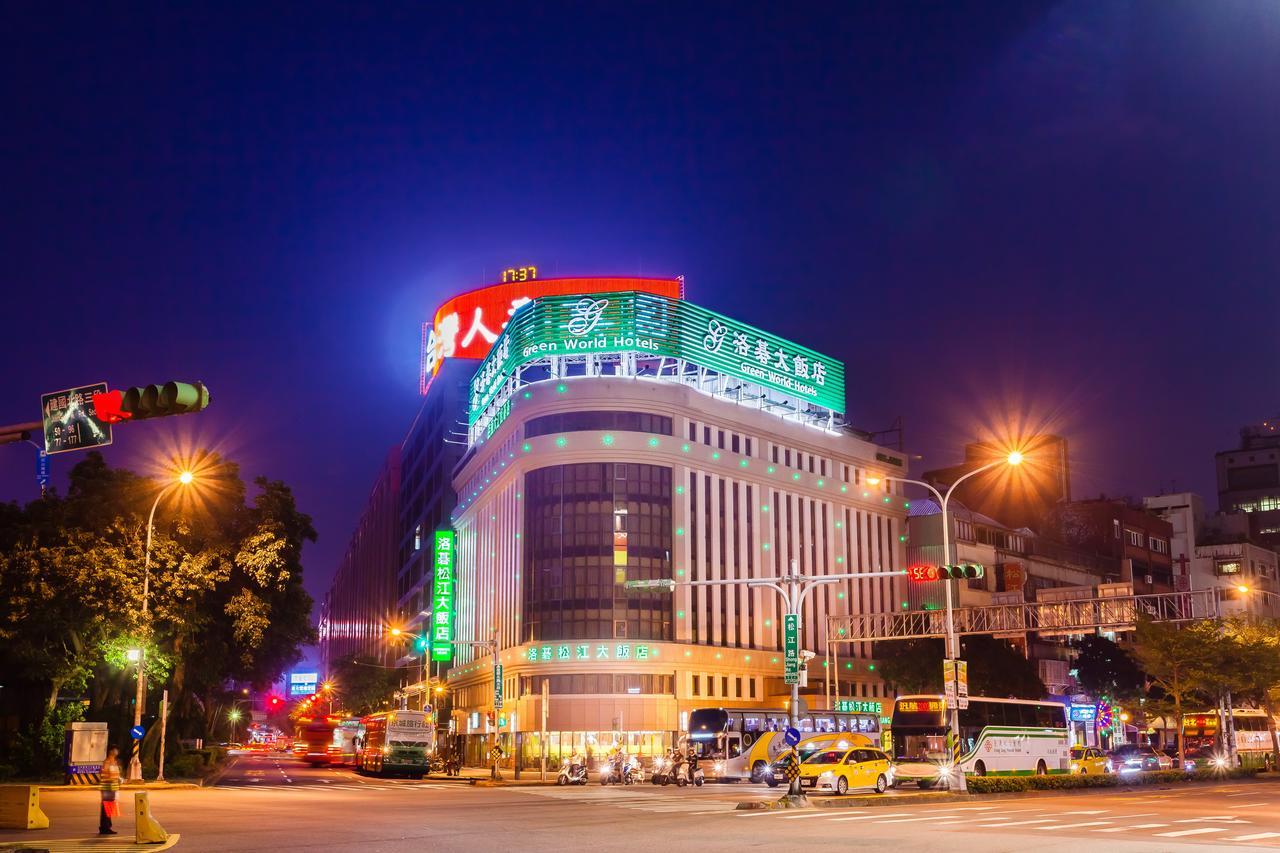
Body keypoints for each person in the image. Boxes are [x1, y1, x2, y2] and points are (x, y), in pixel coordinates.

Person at [99, 745, 122, 835]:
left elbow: (115, 774)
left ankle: (107, 826)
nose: (117, 751)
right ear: (111, 751)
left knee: (109, 808)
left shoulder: (114, 762)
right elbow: (105, 775)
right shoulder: (107, 762)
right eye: (115, 750)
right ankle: (105, 827)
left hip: (112, 788)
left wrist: (119, 780)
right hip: (107, 788)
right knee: (106, 808)